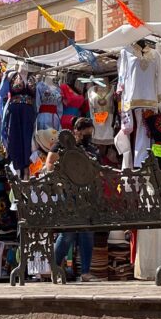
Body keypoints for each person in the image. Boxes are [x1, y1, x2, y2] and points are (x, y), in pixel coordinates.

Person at [48, 118, 100, 282]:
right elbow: (49, 163)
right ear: (77, 131)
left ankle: (85, 272)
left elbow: (97, 171)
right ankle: (54, 267)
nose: (88, 136)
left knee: (87, 232)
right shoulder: (62, 144)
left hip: (86, 195)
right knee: (68, 233)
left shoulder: (90, 148)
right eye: (86, 133)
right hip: (67, 193)